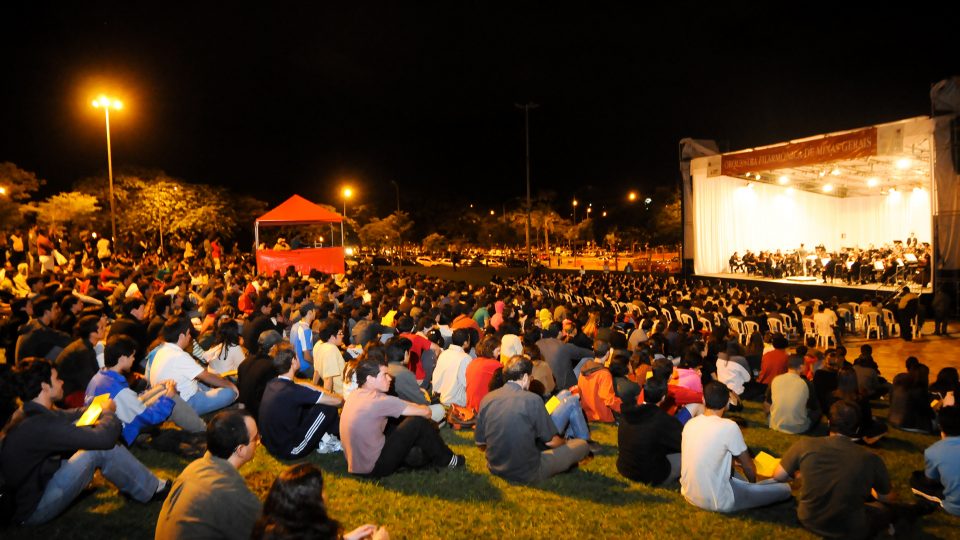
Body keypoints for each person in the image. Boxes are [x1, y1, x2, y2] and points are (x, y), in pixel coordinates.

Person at [2, 359, 169, 526]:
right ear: (45, 387)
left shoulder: (27, 412)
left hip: (34, 487)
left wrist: (97, 409)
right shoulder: (39, 425)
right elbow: (105, 440)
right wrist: (109, 413)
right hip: (33, 509)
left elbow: (70, 415)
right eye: (57, 379)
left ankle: (134, 483)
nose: (62, 382)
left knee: (84, 430)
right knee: (96, 449)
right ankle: (152, 489)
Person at [773, 400, 903, 538]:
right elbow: (886, 498)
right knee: (886, 510)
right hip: (850, 529)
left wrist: (799, 475)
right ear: (857, 428)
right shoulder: (870, 458)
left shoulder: (804, 445)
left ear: (829, 423)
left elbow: (778, 476)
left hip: (808, 519)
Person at [474, 354, 590, 484]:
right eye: (530, 378)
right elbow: (552, 442)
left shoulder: (487, 399)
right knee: (582, 445)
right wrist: (565, 443)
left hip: (495, 467)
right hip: (528, 472)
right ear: (524, 377)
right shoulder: (532, 399)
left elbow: (480, 443)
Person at [340, 357, 464, 477]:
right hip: (374, 467)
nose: (390, 378)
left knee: (402, 426)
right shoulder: (379, 400)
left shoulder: (354, 395)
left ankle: (419, 456)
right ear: (370, 379)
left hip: (355, 465)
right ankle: (448, 460)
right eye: (384, 375)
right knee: (417, 422)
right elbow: (426, 412)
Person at [680, 381, 791, 512]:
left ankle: (751, 486)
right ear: (727, 403)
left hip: (688, 493)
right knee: (785, 489)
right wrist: (752, 485)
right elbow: (748, 466)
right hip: (718, 501)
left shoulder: (690, 423)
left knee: (735, 475)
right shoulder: (729, 427)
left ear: (703, 400)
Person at [155, 410, 263, 539]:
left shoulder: (194, 467)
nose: (258, 441)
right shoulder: (232, 492)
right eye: (255, 437)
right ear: (240, 450)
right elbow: (264, 532)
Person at [252, 463, 388, 540]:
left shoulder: (272, 528)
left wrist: (346, 538)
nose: (325, 495)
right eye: (321, 491)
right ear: (308, 503)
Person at [85, 335, 177, 445]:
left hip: (103, 428)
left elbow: (133, 401)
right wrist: (168, 399)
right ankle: (199, 427)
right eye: (132, 356)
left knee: (162, 390)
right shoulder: (118, 390)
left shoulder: (99, 377)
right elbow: (149, 417)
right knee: (170, 396)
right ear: (123, 358)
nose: (134, 359)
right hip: (121, 435)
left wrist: (157, 388)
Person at [259, 343, 343, 460]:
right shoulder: (294, 391)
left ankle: (329, 437)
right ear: (293, 361)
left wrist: (306, 385)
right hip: (290, 450)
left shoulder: (272, 383)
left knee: (310, 407)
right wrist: (313, 387)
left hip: (271, 444)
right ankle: (332, 439)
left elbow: (297, 391)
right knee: (327, 407)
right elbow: (339, 401)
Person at [147, 316, 238, 416]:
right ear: (182, 336)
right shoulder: (178, 355)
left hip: (171, 399)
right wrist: (231, 385)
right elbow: (206, 376)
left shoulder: (162, 349)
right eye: (188, 334)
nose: (190, 337)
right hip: (185, 404)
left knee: (205, 383)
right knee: (230, 393)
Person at [617, 377, 682, 486]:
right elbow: (684, 443)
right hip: (650, 475)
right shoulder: (662, 420)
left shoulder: (627, 414)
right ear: (663, 397)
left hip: (625, 468)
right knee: (689, 454)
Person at [911, 406, 960, 516]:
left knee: (916, 479)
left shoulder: (933, 451)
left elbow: (931, 480)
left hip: (954, 506)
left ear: (940, 427)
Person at [765, 354, 821, 434]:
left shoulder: (776, 379)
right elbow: (814, 407)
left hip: (775, 424)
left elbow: (767, 404)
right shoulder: (806, 384)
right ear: (801, 367)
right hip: (798, 428)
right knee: (817, 411)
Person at [237, 329, 284, 420]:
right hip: (259, 414)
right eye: (280, 345)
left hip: (244, 409)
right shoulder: (271, 366)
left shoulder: (245, 362)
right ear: (273, 347)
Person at [431, 328, 472, 407]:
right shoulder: (465, 358)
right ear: (465, 343)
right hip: (453, 401)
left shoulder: (444, 353)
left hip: (438, 397)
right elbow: (467, 383)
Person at [312, 319, 346, 392]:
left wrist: (313, 387)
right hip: (340, 393)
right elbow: (328, 380)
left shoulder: (318, 344)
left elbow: (316, 371)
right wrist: (327, 400)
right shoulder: (331, 350)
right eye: (340, 333)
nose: (343, 335)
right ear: (332, 336)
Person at [290, 301, 317, 378]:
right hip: (304, 368)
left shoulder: (295, 325)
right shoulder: (306, 330)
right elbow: (306, 356)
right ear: (310, 312)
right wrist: (315, 363)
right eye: (314, 311)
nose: (315, 313)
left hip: (295, 365)